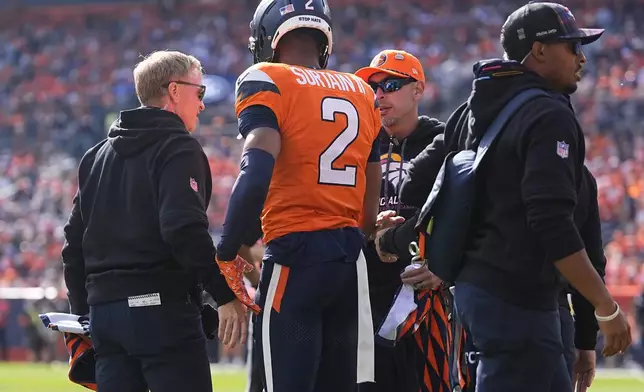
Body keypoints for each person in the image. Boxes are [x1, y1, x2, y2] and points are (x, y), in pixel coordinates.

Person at [436, 3, 631, 392]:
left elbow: (428, 182)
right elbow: (552, 221)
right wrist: (605, 308)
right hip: (517, 299)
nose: (581, 57)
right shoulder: (547, 113)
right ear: (539, 51)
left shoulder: (477, 109)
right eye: (572, 46)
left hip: (479, 294)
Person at [214, 0, 384, 391]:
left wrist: (228, 250)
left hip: (296, 255)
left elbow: (256, 170)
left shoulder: (267, 78)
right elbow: (368, 199)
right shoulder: (360, 90)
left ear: (267, 36)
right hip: (348, 260)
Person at [61, 50, 247, 392]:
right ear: (174, 91)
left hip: (106, 317)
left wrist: (82, 317)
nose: (202, 104)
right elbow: (183, 230)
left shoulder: (95, 156)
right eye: (199, 92)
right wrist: (223, 295)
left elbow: (73, 246)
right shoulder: (179, 147)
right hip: (162, 314)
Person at [353, 50, 450, 392]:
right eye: (373, 87)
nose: (379, 95)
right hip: (367, 301)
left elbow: (467, 217)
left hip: (429, 299)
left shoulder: (445, 142)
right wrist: (368, 226)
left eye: (391, 84)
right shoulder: (356, 141)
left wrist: (443, 264)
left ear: (418, 90)